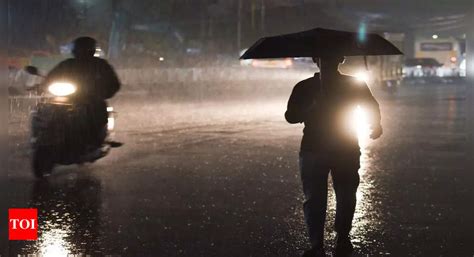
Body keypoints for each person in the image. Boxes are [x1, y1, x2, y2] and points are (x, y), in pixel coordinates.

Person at [285, 55, 383, 257]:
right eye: (324, 57)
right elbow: (291, 116)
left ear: (339, 59)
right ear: (317, 60)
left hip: (329, 148)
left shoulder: (312, 86)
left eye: (330, 56)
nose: (327, 61)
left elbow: (371, 106)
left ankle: (334, 242)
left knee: (336, 197)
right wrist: (312, 108)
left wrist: (375, 124)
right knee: (324, 198)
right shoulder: (309, 87)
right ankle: (325, 244)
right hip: (330, 148)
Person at [43, 36, 120, 148]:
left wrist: (103, 92)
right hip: (69, 97)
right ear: (75, 50)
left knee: (98, 109)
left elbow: (114, 83)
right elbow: (51, 77)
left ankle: (98, 138)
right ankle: (44, 135)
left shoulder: (101, 65)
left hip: (91, 98)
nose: (82, 52)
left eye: (85, 49)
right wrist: (43, 85)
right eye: (80, 49)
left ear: (91, 50)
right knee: (46, 109)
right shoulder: (67, 64)